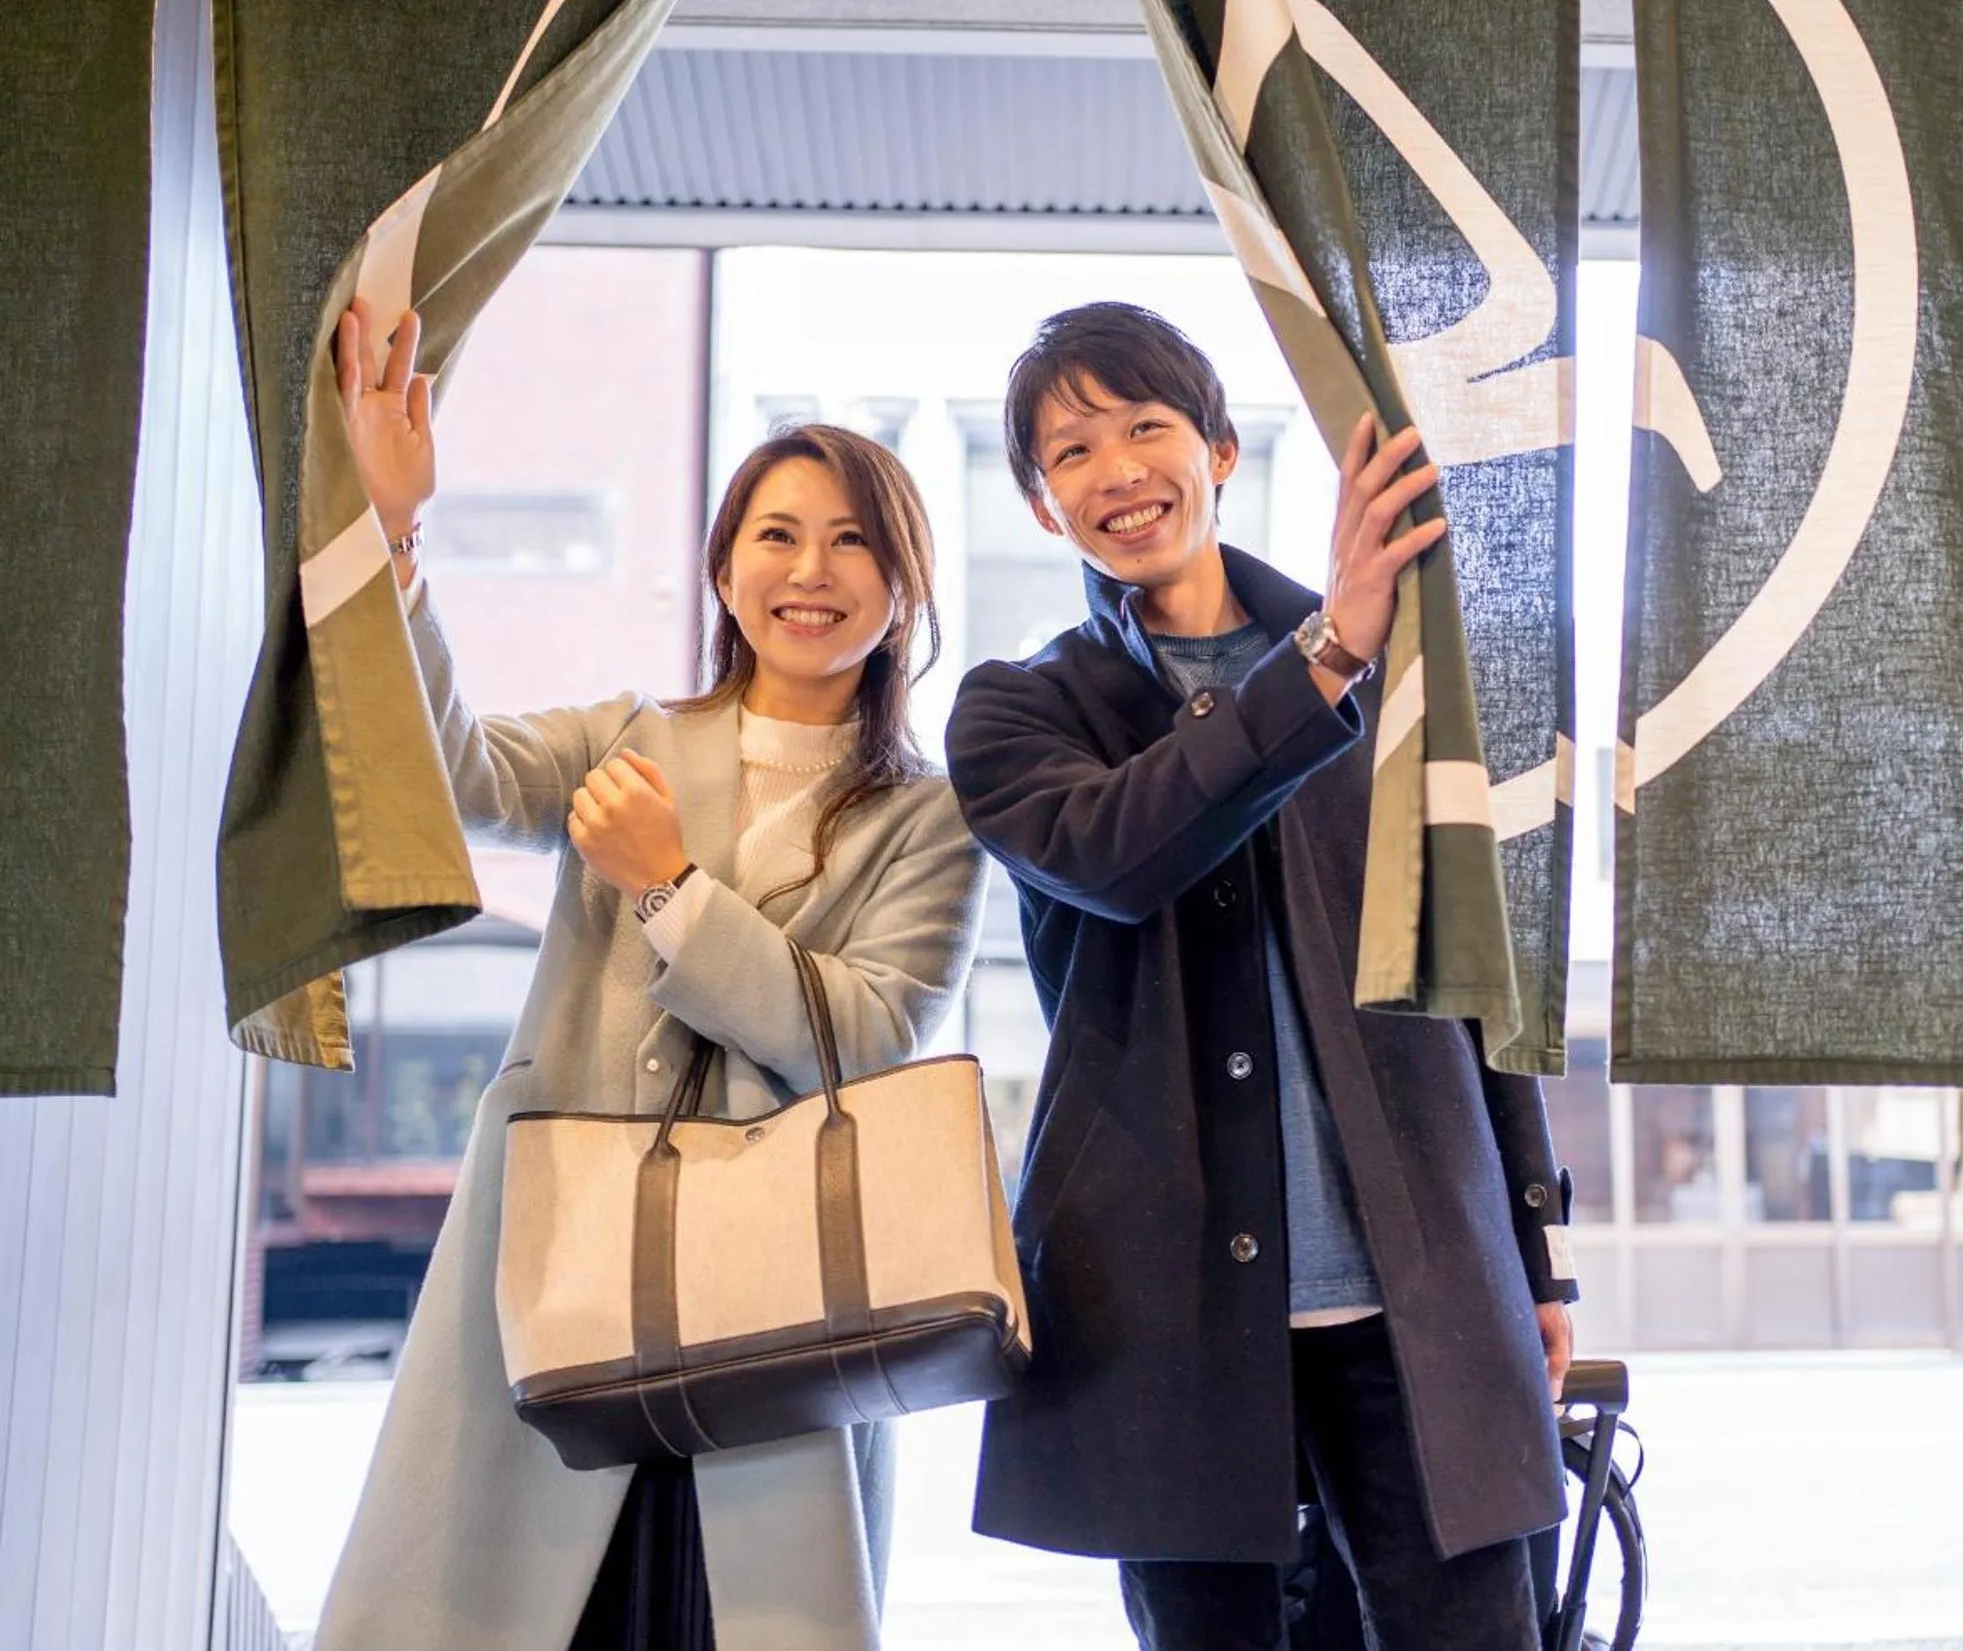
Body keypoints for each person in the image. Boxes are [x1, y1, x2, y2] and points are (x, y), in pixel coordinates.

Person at [312, 302, 984, 1650]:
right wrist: (394, 537)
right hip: (569, 1277)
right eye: (778, 533)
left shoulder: (933, 818)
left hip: (786, 1309)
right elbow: (443, 775)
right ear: (725, 568)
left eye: (856, 539)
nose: (813, 568)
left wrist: (672, 889)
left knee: (725, 1614)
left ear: (906, 587)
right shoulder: (622, 737)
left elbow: (859, 1039)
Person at [949, 301, 1578, 1651]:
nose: (1115, 470)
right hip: (1162, 1320)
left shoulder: (1397, 666)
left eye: (1146, 427)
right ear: (1041, 503)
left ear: (1220, 449)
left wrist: (1537, 1247)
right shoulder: (1018, 711)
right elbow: (1120, 854)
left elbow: (1476, 974)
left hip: (1419, 1294)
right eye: (1070, 451)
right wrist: (1327, 656)